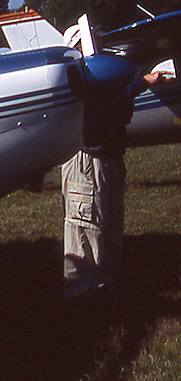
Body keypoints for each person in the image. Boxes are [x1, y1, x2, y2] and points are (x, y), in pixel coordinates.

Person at [61, 70, 169, 298]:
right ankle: (82, 293)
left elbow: (117, 107)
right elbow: (105, 102)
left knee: (110, 225)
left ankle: (105, 286)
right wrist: (140, 82)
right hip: (88, 160)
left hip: (109, 157)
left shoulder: (103, 79)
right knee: (86, 225)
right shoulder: (81, 78)